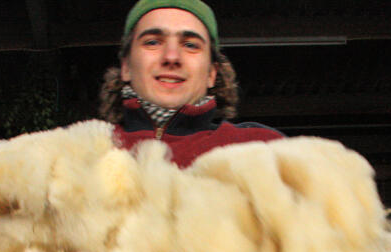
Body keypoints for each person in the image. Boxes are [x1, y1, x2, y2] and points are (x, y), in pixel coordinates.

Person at [99, 0, 282, 168]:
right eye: (153, 42)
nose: (171, 57)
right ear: (126, 67)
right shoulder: (81, 153)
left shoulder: (262, 150)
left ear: (211, 73)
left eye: (190, 45)